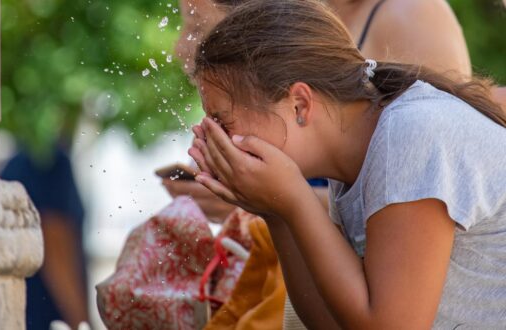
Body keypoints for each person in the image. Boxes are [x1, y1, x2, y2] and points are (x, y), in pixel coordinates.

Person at [188, 0, 506, 328]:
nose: (212, 137)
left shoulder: (409, 133)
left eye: (221, 121)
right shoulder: (353, 158)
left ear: (299, 104)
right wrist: (277, 213)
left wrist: (296, 202)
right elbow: (334, 323)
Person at [167, 0, 476, 220]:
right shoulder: (294, 22)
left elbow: (438, 177)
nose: (181, 49)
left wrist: (274, 201)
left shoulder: (411, 14)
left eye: (195, 27)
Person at [1, 145, 89, 330]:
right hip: (46, 317)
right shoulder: (49, 161)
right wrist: (81, 322)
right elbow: (54, 247)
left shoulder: (16, 164)